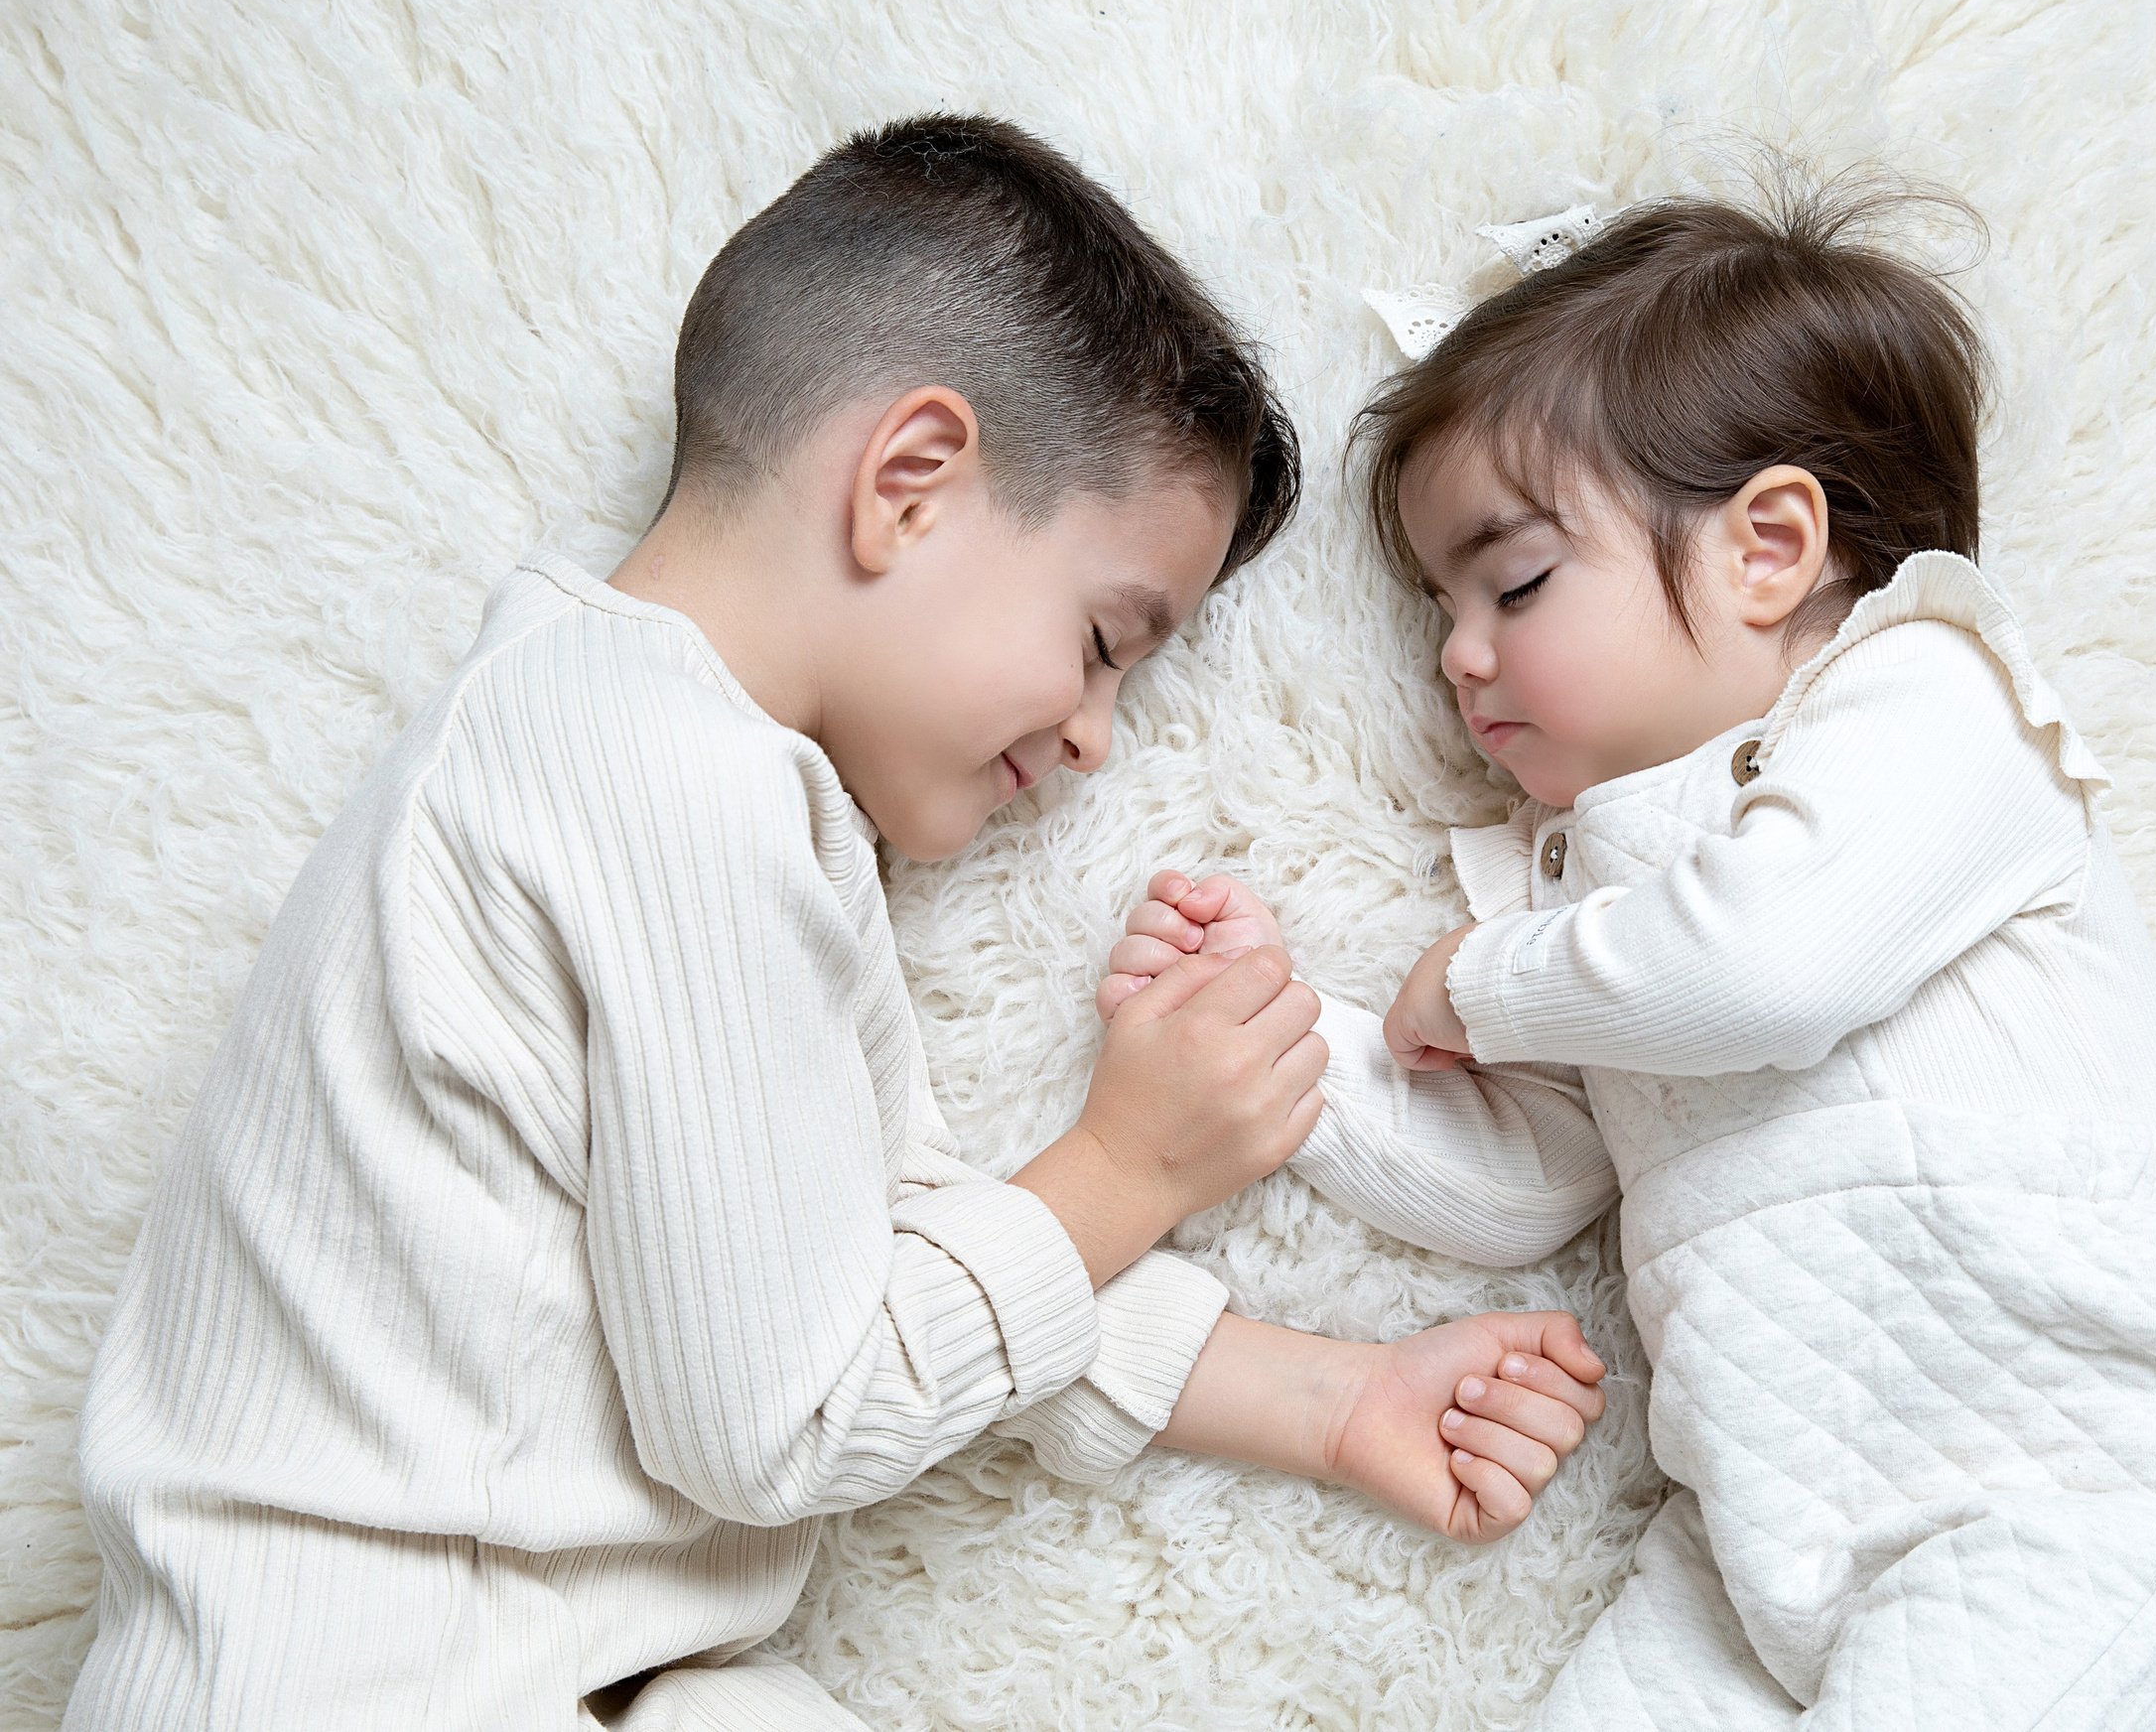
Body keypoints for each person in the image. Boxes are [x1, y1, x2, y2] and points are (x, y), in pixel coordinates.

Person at [66, 115, 1607, 1732]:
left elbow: (854, 1263)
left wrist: (1332, 1393)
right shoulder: (661, 776)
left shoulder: (630, 756)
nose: (1095, 736)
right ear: (911, 483)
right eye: (1102, 640)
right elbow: (781, 1417)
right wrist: (1130, 1163)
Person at [1103, 182, 2156, 1729]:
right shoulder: (1590, 905)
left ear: (1771, 546)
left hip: (2098, 1499)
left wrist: (1482, 986)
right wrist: (1290, 1042)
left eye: (1518, 582)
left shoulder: (1932, 702)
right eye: (1440, 604)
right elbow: (1516, 1181)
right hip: (1768, 1539)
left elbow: (1773, 966)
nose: (1460, 656)